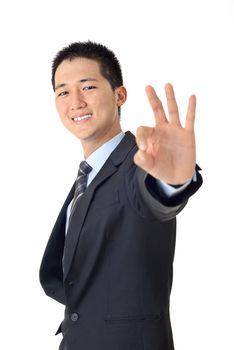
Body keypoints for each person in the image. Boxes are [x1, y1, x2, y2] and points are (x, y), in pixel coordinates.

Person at [39, 41, 202, 350]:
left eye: (87, 87)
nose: (75, 102)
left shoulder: (138, 164)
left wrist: (173, 180)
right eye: (63, 92)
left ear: (119, 95)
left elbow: (154, 194)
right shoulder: (86, 177)